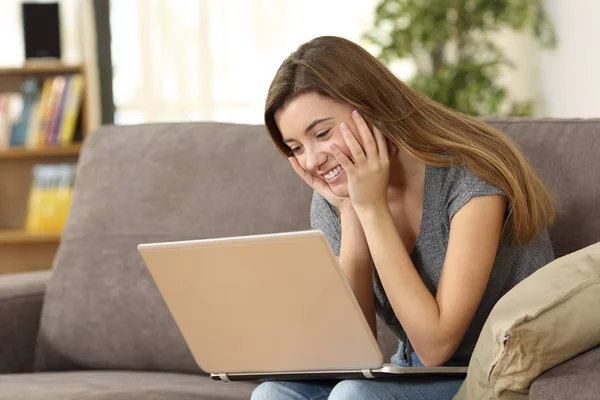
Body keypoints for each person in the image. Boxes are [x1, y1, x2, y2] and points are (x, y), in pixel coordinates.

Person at [251, 36, 555, 400]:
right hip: (412, 373)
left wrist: (371, 208)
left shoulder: (471, 172)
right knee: (273, 394)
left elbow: (436, 346)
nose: (313, 160)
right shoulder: (337, 196)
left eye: (322, 133)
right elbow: (350, 353)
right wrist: (350, 212)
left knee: (354, 397)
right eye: (296, 148)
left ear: (370, 106)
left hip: (495, 371)